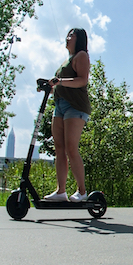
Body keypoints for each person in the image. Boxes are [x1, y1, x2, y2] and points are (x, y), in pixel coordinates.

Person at [45, 28, 91, 202]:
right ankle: (60, 191)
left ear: (79, 39)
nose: (67, 37)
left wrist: (60, 81)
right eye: (67, 35)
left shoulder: (81, 56)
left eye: (71, 35)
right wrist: (49, 87)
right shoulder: (67, 60)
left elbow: (82, 80)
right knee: (59, 148)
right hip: (60, 105)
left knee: (71, 148)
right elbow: (61, 84)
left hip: (75, 106)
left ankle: (82, 191)